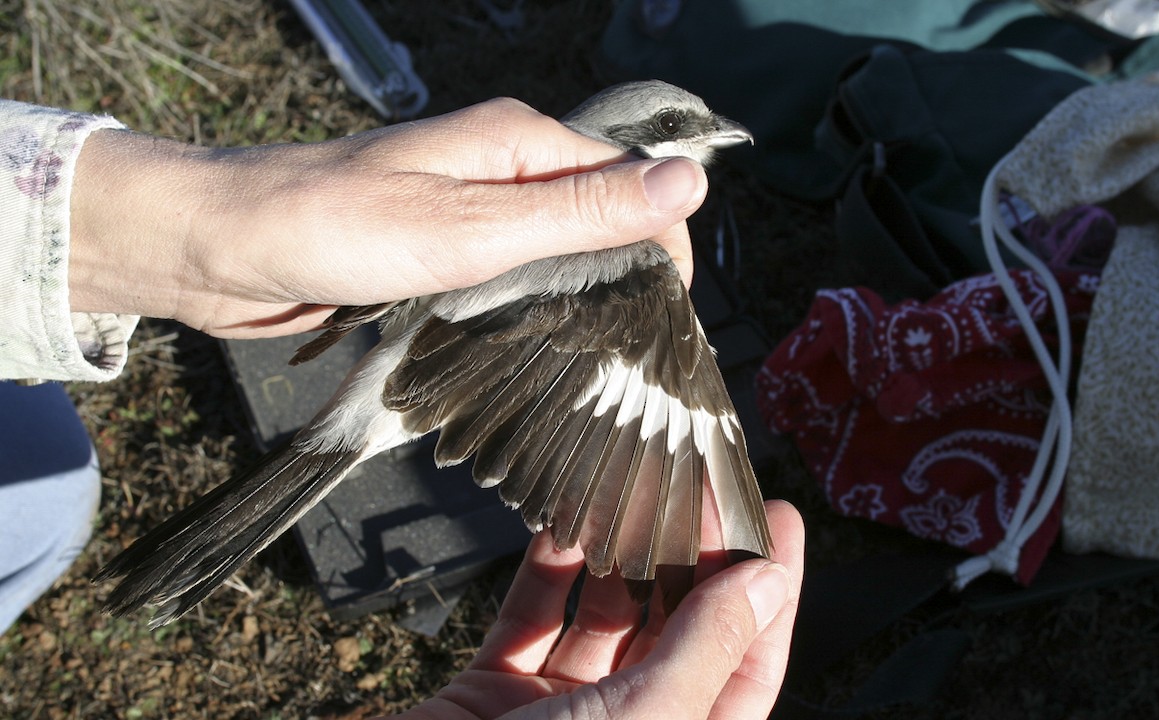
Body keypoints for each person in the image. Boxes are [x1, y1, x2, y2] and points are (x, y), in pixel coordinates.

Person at [0, 96, 804, 718]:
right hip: (426, 368)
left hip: (432, 353)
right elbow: (651, 410)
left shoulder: (552, 216)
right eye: (673, 125)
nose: (705, 133)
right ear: (629, 145)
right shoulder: (627, 266)